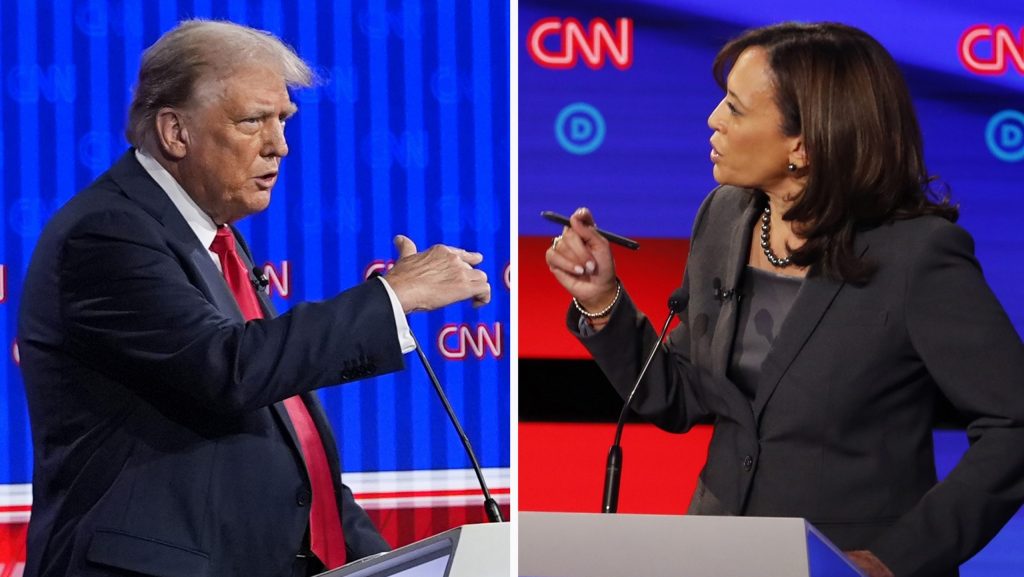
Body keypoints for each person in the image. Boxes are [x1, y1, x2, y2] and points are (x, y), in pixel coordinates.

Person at [546, 22, 1023, 577]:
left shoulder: (918, 255)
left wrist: (898, 558)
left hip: (844, 564)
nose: (713, 120)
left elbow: (1014, 424)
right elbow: (679, 399)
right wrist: (603, 299)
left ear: (804, 142)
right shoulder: (724, 215)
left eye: (735, 108)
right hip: (717, 552)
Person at [19, 20, 491, 577]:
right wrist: (394, 295)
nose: (279, 146)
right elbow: (229, 369)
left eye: (283, 121)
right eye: (253, 122)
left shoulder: (214, 237)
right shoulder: (106, 233)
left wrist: (377, 563)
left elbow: (291, 439)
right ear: (175, 132)